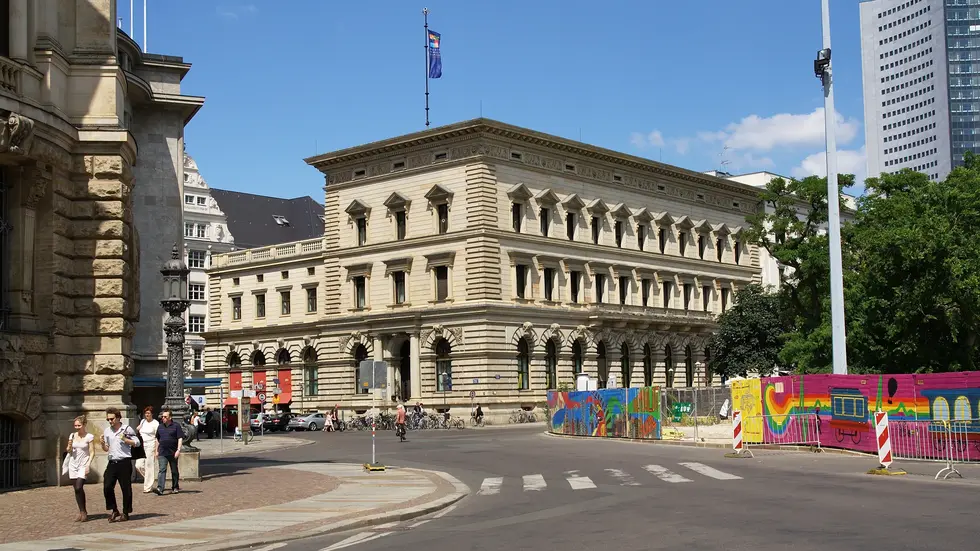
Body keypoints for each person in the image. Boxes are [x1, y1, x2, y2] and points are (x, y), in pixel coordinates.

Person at [101, 406, 140, 522]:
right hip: (112, 461)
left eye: (112, 419)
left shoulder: (126, 429)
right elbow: (106, 448)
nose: (110, 421)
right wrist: (102, 444)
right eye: (108, 419)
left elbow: (137, 443)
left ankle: (126, 512)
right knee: (107, 486)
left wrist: (126, 440)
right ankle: (114, 509)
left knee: (125, 488)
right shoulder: (107, 431)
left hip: (124, 462)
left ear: (118, 418)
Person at [66, 415, 95, 522]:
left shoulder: (89, 437)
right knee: (76, 490)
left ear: (84, 425)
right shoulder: (72, 435)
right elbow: (68, 450)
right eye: (75, 425)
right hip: (73, 464)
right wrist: (69, 447)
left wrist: (88, 464)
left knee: (79, 487)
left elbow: (92, 452)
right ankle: (82, 511)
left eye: (79, 425)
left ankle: (83, 511)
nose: (77, 427)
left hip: (83, 464)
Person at [154, 409, 184, 495]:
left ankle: (175, 487)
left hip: (173, 452)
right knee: (162, 470)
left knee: (174, 470)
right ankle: (160, 488)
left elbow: (180, 438)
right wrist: (156, 450)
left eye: (165, 417)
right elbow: (157, 439)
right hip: (162, 452)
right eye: (162, 417)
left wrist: (178, 450)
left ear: (170, 417)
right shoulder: (160, 427)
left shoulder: (176, 426)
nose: (163, 418)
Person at [135, 406, 159, 494]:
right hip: (142, 445)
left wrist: (156, 450)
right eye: (145, 413)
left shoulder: (155, 423)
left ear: (152, 414)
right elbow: (139, 429)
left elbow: (157, 438)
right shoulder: (143, 421)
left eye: (148, 413)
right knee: (138, 465)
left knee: (149, 466)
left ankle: (147, 487)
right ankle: (149, 480)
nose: (147, 415)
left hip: (150, 445)